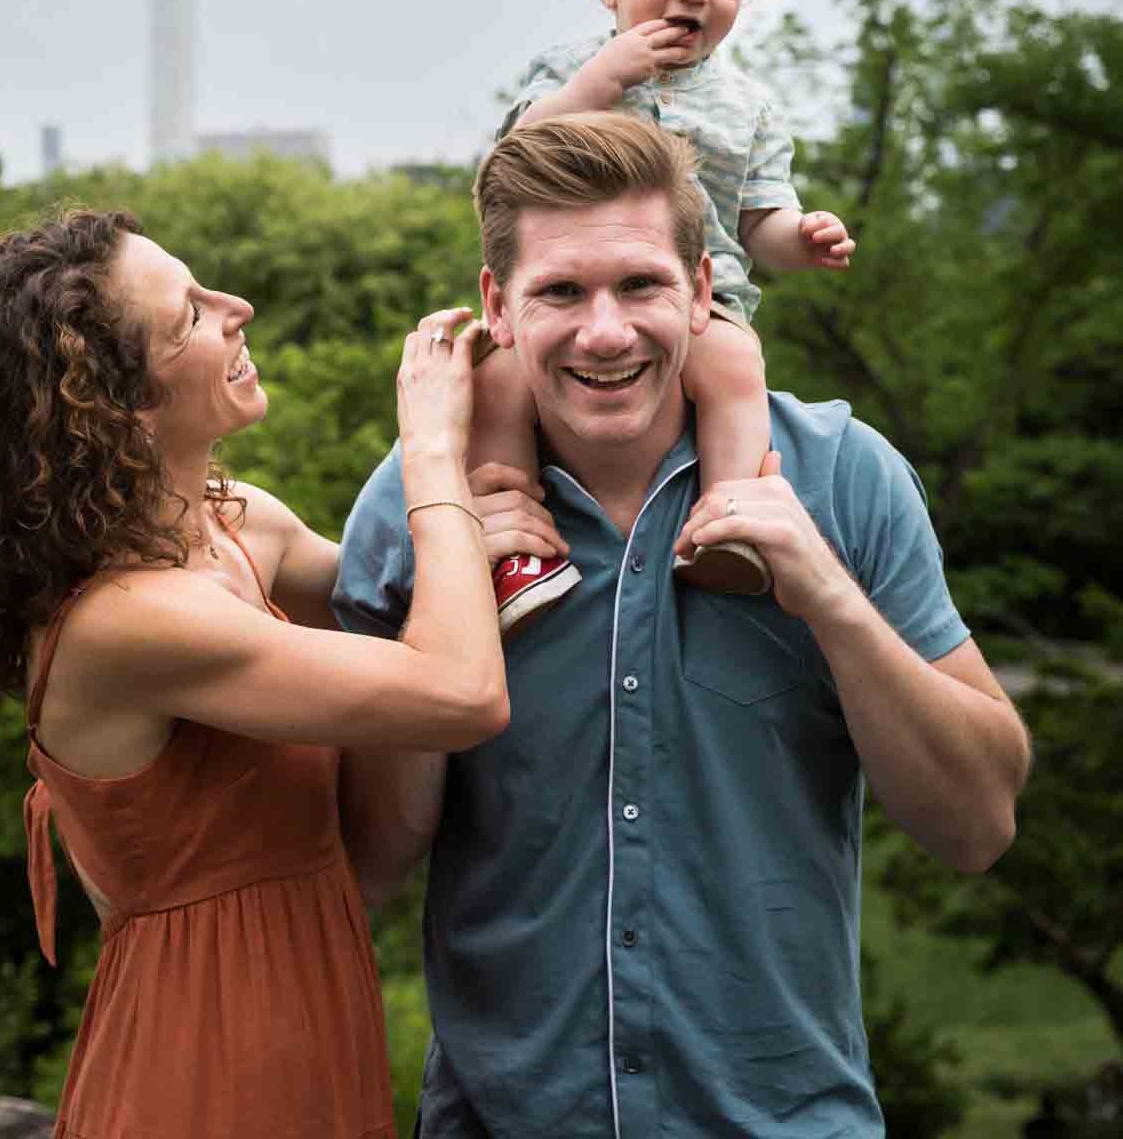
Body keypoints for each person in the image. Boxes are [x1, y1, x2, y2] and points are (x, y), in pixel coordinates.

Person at [334, 113, 1031, 1139]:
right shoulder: (415, 506)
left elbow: (977, 827)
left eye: (640, 285)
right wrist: (448, 605)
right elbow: (367, 866)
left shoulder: (843, 475)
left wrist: (830, 597)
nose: (604, 331)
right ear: (499, 305)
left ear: (703, 289)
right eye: (561, 291)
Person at [0, 207, 513, 1139]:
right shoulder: (129, 621)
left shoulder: (237, 522)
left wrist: (477, 524)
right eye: (190, 316)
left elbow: (400, 598)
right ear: (119, 406)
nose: (236, 307)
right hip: (204, 1055)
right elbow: (458, 691)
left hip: (313, 1009)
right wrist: (434, 458)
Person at [472, 0, 856, 621]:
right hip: (573, 286)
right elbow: (508, 165)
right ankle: (516, 548)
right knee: (499, 380)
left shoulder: (748, 106)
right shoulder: (570, 72)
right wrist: (598, 81)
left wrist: (801, 237)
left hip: (698, 301)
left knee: (734, 365)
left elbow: (759, 220)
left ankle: (731, 524)